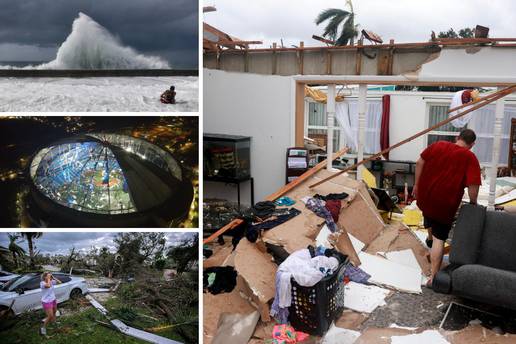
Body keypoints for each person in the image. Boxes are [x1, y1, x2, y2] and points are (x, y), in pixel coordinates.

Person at [413, 129, 481, 285]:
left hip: (426, 195)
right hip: (445, 202)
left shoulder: (438, 145)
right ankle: (434, 277)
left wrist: (416, 185)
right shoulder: (469, 157)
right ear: (472, 144)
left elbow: (419, 162)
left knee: (429, 217)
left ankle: (429, 239)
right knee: (440, 238)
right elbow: (473, 185)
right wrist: (473, 202)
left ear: (457, 137)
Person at [40, 272, 62, 336]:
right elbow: (48, 285)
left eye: (49, 276)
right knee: (50, 316)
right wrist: (49, 279)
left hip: (53, 299)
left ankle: (54, 322)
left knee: (54, 311)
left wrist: (53, 277)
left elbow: (60, 282)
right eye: (48, 276)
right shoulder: (42, 283)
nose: (49, 277)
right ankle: (43, 328)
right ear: (44, 277)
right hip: (46, 302)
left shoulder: (51, 281)